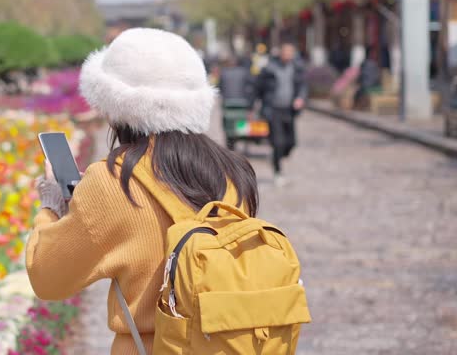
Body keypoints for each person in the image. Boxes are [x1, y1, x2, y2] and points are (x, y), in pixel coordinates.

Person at [26, 28, 259, 355]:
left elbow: (47, 278)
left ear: (113, 106)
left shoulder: (113, 181)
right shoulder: (233, 171)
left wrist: (51, 205)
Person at [249, 42, 307, 186]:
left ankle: (278, 156)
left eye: (290, 52)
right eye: (286, 52)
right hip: (273, 110)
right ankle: (278, 171)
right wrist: (252, 107)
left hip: (289, 110)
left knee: (291, 143)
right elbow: (257, 88)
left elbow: (302, 86)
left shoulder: (296, 68)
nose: (288, 55)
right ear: (280, 53)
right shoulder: (269, 69)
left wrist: (300, 98)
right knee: (278, 142)